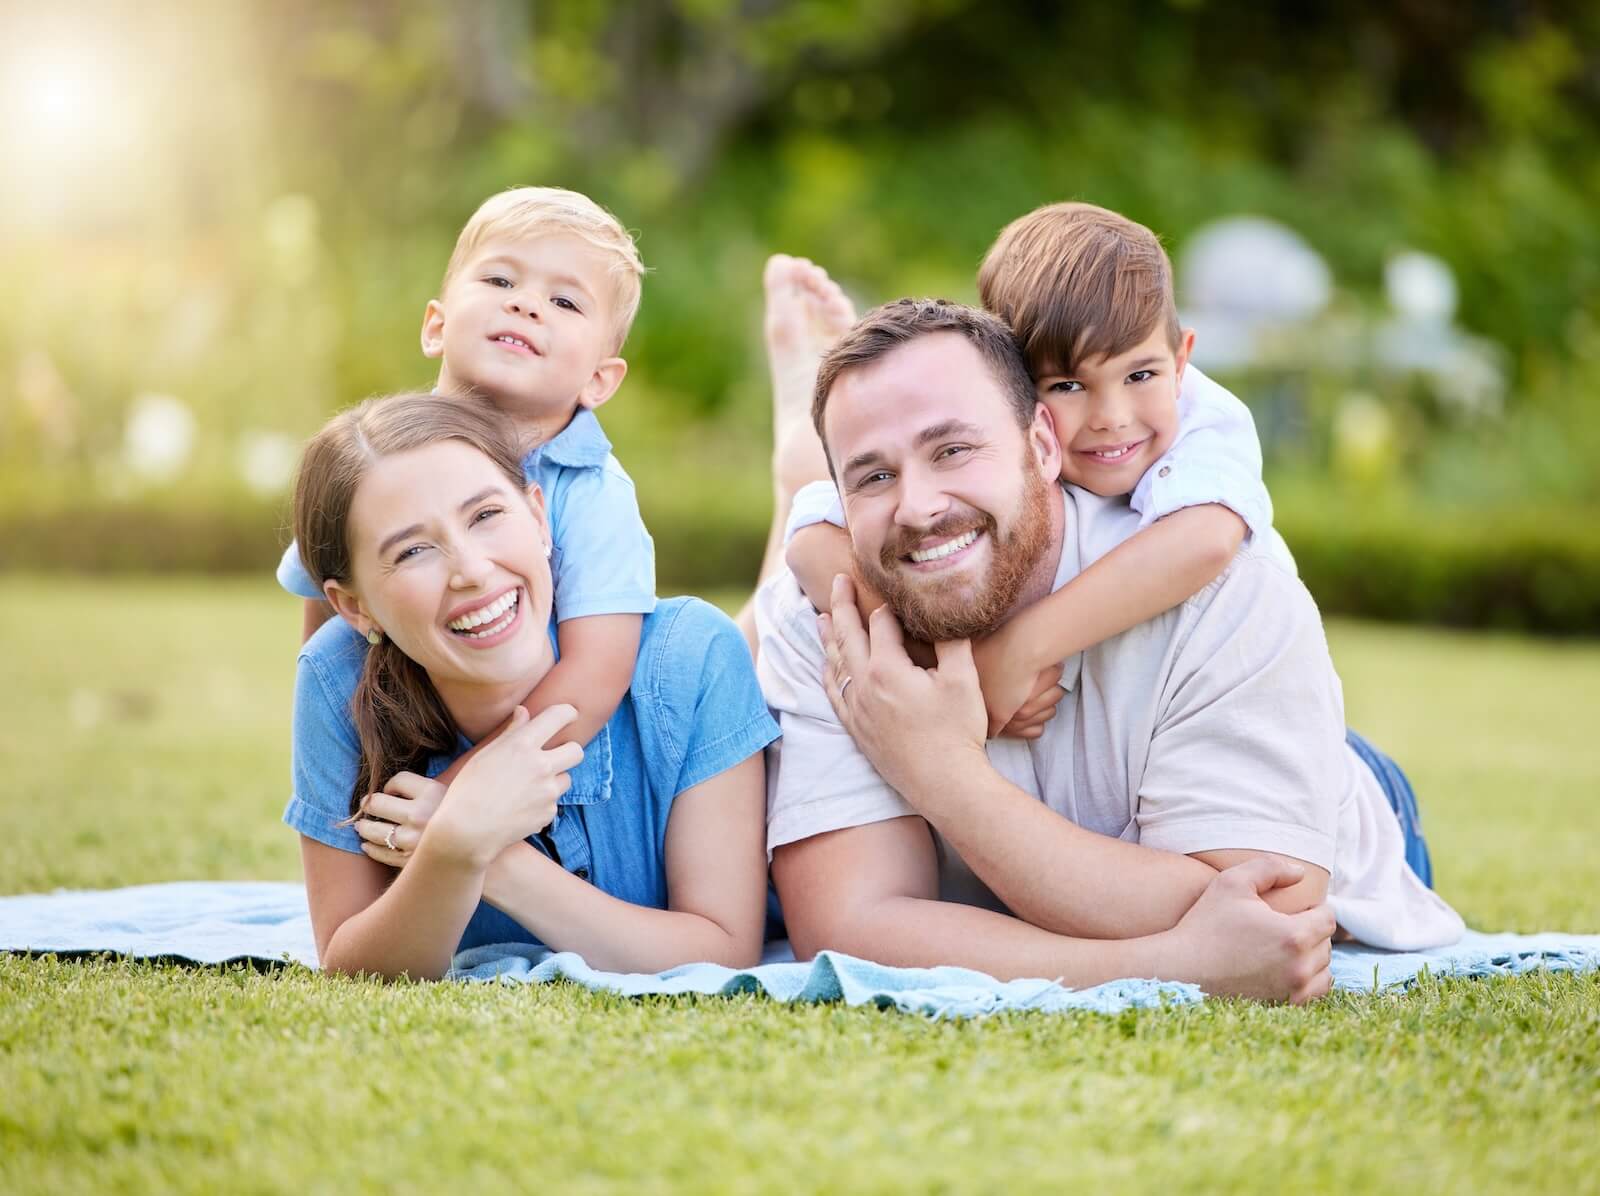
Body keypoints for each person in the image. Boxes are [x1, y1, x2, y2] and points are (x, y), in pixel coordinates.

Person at [755, 298, 1464, 1004]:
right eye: (874, 476)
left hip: (1345, 822)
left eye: (953, 450)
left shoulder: (1226, 587)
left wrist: (939, 770)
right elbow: (850, 925)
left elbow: (1274, 915)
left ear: (1041, 444)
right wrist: (1173, 963)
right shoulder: (829, 613)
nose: (918, 506)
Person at [286, 394, 777, 979]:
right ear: (354, 606)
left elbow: (723, 953)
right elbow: (350, 969)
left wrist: (488, 853)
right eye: (414, 550)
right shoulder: (334, 680)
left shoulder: (692, 657)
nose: (470, 570)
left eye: (486, 516)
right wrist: (453, 853)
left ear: (538, 517)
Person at [782, 202, 1288, 737]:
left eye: (1140, 375)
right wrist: (953, 666)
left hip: (1263, 701)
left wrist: (1017, 652)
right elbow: (810, 545)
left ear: (1180, 362)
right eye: (1068, 386)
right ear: (1014, 393)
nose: (1113, 419)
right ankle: (796, 438)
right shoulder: (1003, 448)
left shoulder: (1203, 418)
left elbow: (1205, 542)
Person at [277, 186, 657, 753]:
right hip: (410, 731)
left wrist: (464, 794)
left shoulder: (593, 493)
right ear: (436, 325)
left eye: (565, 303)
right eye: (501, 281)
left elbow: (596, 674)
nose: (526, 305)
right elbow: (327, 603)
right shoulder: (382, 460)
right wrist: (337, 742)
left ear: (599, 380)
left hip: (546, 759)